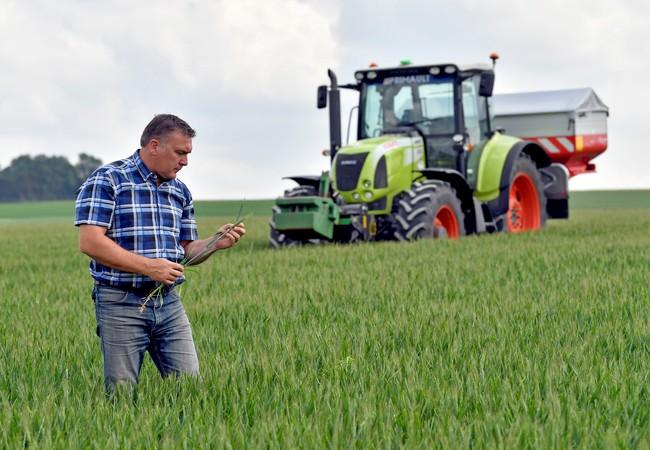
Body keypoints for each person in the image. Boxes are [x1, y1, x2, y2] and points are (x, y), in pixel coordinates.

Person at [74, 114, 245, 392]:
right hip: (120, 304)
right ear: (154, 146)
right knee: (121, 394)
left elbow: (188, 251)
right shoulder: (109, 180)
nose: (185, 161)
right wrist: (148, 267)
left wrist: (215, 242)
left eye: (188, 154)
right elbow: (90, 242)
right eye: (180, 152)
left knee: (190, 391)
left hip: (168, 304)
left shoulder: (180, 191)